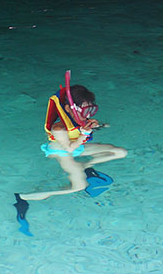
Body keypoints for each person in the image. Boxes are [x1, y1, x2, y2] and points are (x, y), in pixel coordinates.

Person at [18, 72, 127, 202]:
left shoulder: (80, 119)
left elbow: (90, 132)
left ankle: (85, 165)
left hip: (78, 147)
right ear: (69, 109)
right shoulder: (58, 128)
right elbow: (69, 149)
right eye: (85, 111)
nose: (87, 116)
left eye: (91, 111)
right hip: (62, 152)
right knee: (79, 186)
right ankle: (23, 197)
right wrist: (84, 134)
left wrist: (98, 125)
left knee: (120, 152)